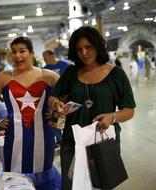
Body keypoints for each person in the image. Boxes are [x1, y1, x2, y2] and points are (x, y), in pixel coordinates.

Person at [48, 26, 136, 190]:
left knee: (103, 185)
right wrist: (56, 104)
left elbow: (129, 110)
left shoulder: (116, 74)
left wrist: (112, 117)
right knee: (71, 186)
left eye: (88, 47)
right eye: (79, 49)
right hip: (72, 142)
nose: (84, 53)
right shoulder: (71, 72)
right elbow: (53, 96)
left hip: (103, 142)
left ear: (97, 45)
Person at [0, 36, 61, 190]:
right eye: (13, 52)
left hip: (44, 137)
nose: (17, 56)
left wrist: (56, 115)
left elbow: (66, 99)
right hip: (14, 139)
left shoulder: (49, 76)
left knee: (43, 173)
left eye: (22, 51)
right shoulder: (3, 78)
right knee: (15, 178)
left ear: (32, 53)